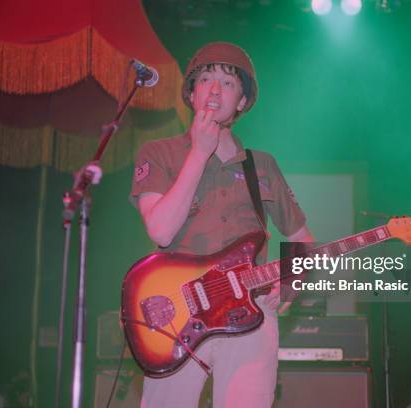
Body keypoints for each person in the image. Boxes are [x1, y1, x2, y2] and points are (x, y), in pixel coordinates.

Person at [130, 42, 314, 408]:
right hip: (176, 319)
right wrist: (200, 151)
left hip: (251, 314)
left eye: (227, 83)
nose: (214, 90)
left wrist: (292, 278)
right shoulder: (159, 153)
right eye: (205, 80)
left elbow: (302, 239)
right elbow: (161, 231)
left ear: (242, 101)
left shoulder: (262, 166)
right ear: (192, 93)